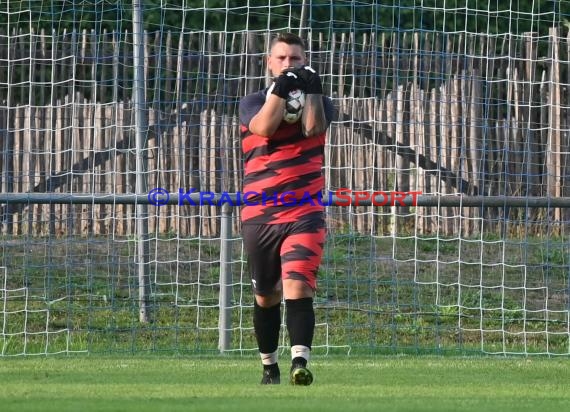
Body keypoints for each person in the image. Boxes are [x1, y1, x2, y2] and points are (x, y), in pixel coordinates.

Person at [238, 32, 335, 385]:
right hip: (260, 215)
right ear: (269, 62)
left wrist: (312, 89)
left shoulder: (321, 100)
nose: (288, 65)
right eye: (281, 59)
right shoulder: (251, 102)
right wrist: (282, 88)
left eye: (295, 59)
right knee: (266, 295)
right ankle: (269, 366)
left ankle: (300, 362)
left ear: (305, 60)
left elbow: (312, 128)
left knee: (298, 286)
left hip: (304, 211)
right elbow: (263, 127)